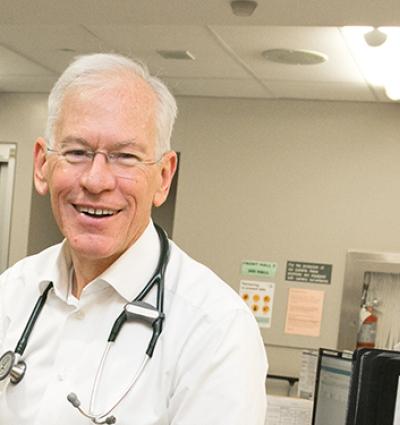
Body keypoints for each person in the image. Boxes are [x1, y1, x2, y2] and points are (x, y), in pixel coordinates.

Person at [0, 53, 267, 424]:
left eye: (125, 157)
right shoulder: (11, 293)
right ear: (43, 164)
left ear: (163, 177)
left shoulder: (216, 329)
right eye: (77, 152)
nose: (96, 181)